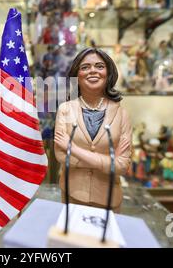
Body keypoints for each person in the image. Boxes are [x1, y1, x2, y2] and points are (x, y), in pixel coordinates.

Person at [54, 47, 132, 212]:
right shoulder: (65, 109)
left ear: (108, 72)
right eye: (85, 67)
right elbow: (61, 156)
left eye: (99, 66)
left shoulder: (122, 114)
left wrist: (73, 148)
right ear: (77, 75)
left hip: (109, 198)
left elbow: (122, 165)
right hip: (72, 195)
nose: (93, 71)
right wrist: (107, 162)